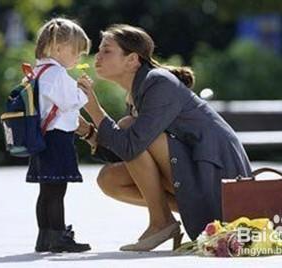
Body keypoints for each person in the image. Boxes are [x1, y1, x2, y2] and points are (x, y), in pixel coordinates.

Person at [77, 24, 252, 251]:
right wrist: (88, 132)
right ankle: (173, 217)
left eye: (107, 50)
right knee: (110, 179)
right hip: (196, 172)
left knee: (130, 128)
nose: (97, 56)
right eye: (99, 50)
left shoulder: (158, 82)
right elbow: (122, 151)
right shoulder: (138, 91)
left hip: (219, 178)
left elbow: (131, 146)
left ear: (132, 60)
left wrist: (95, 109)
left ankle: (161, 221)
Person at [26, 18, 91, 253]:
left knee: (46, 191)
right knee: (57, 190)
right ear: (58, 48)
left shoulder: (38, 71)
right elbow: (69, 102)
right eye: (76, 53)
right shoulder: (57, 73)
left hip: (42, 137)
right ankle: (58, 236)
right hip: (57, 138)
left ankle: (45, 236)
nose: (78, 59)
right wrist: (83, 92)